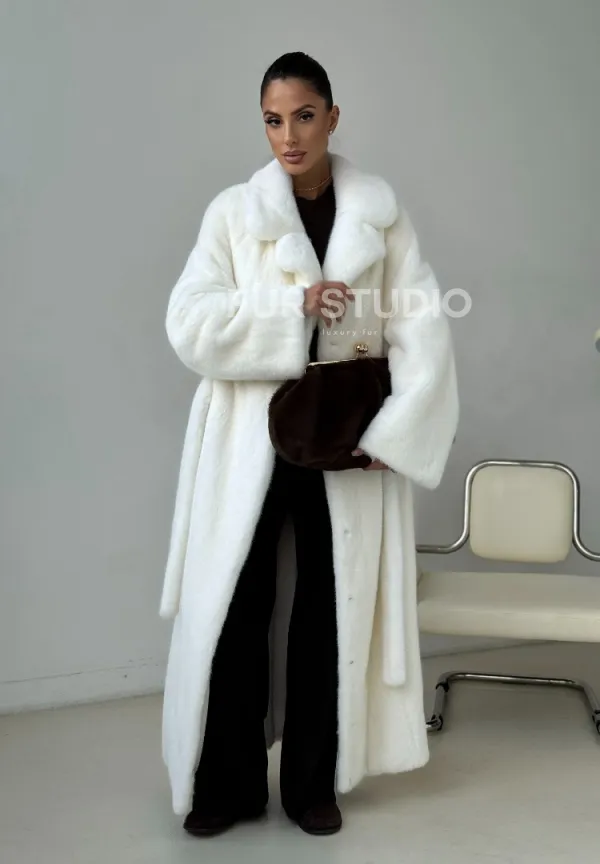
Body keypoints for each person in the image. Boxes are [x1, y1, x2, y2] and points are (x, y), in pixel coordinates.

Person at [160, 51, 459, 838]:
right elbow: (189, 322)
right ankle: (228, 785)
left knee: (331, 610)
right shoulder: (234, 214)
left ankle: (311, 786)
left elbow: (422, 325)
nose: (288, 136)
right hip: (251, 441)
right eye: (272, 120)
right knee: (236, 607)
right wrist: (290, 307)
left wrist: (397, 431)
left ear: (332, 117)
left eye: (302, 116)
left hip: (345, 442)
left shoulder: (380, 216)